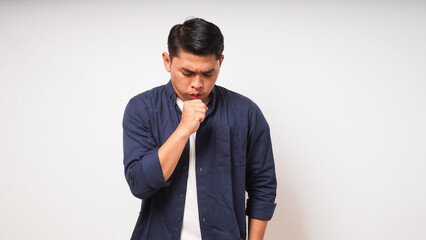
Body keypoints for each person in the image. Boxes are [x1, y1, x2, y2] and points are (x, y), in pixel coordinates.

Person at [122, 17, 277, 240]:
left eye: (208, 73)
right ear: (167, 61)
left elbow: (263, 187)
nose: (197, 83)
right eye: (187, 73)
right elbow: (139, 184)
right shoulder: (142, 109)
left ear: (220, 63)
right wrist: (183, 130)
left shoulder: (246, 113)